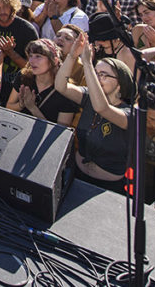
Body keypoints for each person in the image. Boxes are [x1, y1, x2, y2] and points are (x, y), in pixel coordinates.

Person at [54, 31, 136, 193]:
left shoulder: (129, 114)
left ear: (120, 83)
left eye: (104, 75)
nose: (97, 78)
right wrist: (72, 56)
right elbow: (60, 86)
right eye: (96, 74)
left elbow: (102, 108)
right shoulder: (88, 97)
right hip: (77, 174)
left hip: (108, 189)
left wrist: (88, 64)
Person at [5, 38, 78, 126]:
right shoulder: (24, 77)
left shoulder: (67, 91)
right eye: (30, 56)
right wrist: (21, 104)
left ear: (54, 61)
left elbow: (60, 134)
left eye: (38, 56)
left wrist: (33, 108)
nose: (31, 61)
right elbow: (9, 107)